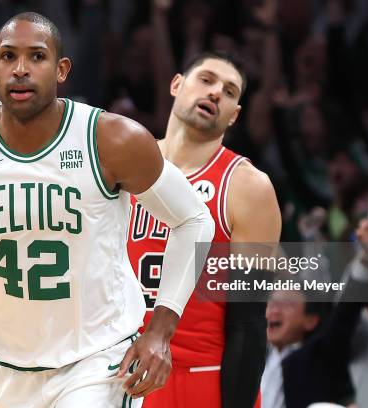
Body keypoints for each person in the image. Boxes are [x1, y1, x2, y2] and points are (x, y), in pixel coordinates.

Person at [0, 12, 214, 408]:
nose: (20, 69)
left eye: (37, 57)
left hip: (97, 361)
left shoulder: (112, 139)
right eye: (8, 57)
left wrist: (160, 331)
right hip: (6, 367)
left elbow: (194, 219)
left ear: (61, 70)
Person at [127, 51, 282, 408]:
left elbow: (248, 324)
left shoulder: (248, 187)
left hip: (198, 379)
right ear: (176, 84)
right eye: (207, 80)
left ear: (235, 116)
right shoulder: (125, 163)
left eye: (230, 92)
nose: (216, 93)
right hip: (117, 371)